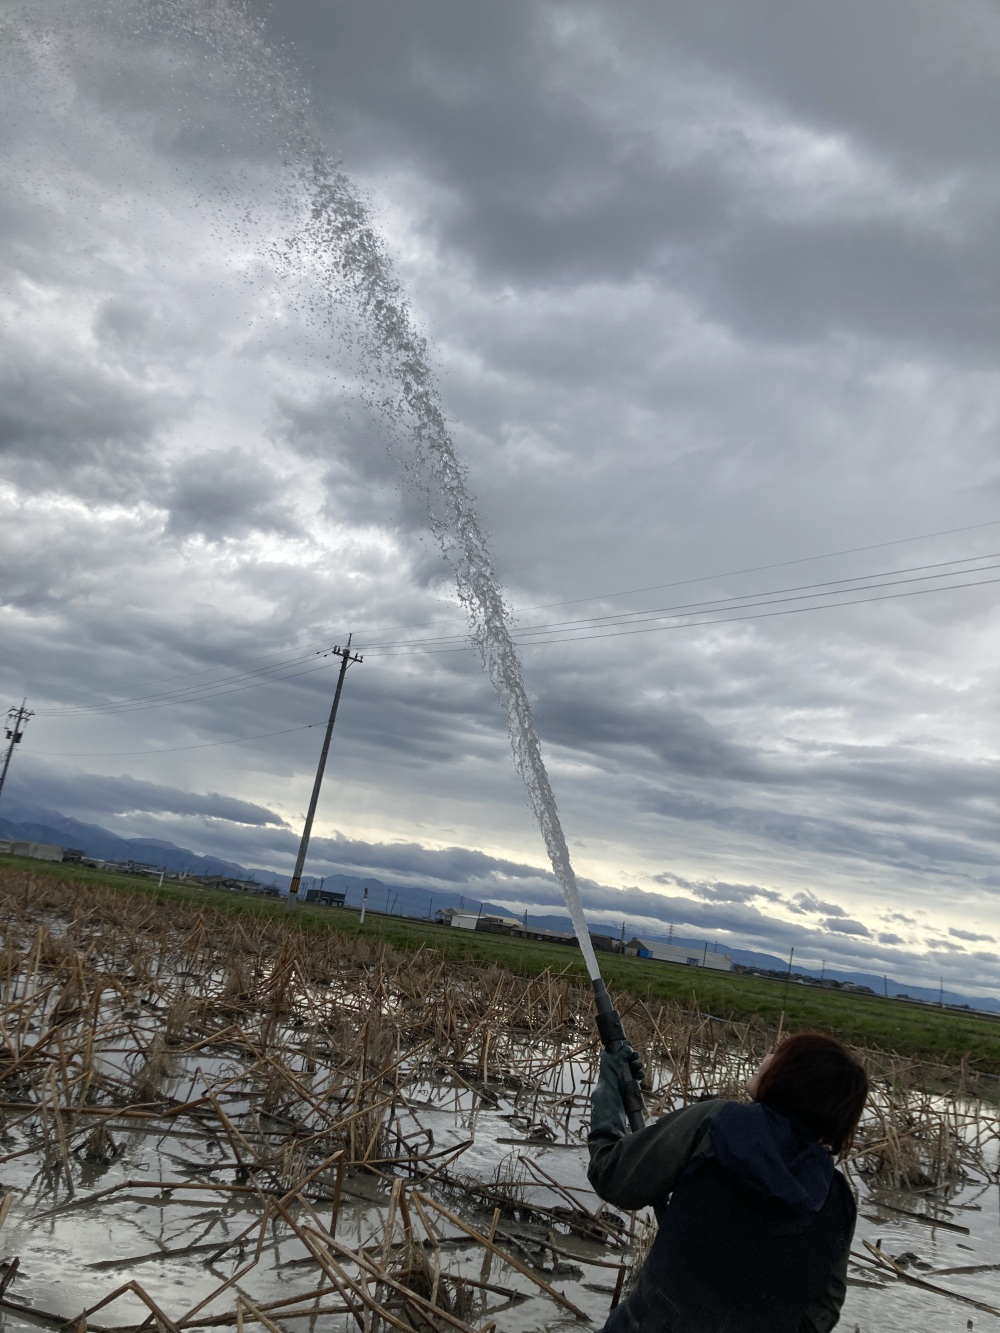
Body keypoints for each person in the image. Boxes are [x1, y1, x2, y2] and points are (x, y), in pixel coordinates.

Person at [588, 1031, 869, 1333]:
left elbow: (613, 1175)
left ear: (792, 1079)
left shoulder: (716, 1121)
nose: (767, 1059)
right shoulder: (839, 1199)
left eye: (778, 1054)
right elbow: (824, 1308)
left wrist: (611, 1085)